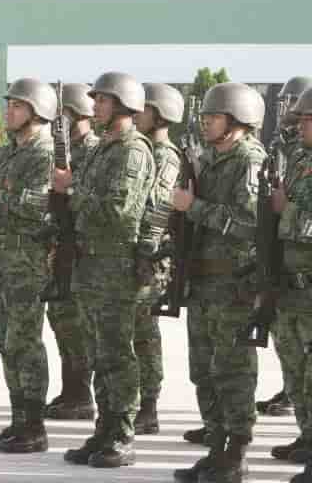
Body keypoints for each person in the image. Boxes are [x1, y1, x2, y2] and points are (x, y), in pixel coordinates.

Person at [56, 72, 156, 470]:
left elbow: (118, 211)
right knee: (98, 352)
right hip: (91, 264)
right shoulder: (102, 148)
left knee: (117, 354)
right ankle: (105, 426)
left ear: (122, 104)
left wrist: (71, 189)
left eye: (102, 100)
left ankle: (123, 433)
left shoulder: (132, 151)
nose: (94, 105)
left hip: (115, 266)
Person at [170, 82, 264, 483]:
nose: (206, 121)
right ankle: (216, 444)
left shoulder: (248, 161)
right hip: (204, 281)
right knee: (203, 369)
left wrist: (196, 208)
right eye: (205, 115)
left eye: (214, 116)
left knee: (233, 370)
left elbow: (249, 224)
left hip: (232, 284)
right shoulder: (207, 159)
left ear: (236, 119)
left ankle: (236, 452)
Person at [0, 78, 57, 454]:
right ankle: (18, 418)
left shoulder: (44, 153)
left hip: (27, 260)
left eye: (17, 106)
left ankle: (35, 425)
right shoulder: (7, 152)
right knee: (6, 340)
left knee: (25, 341)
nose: (9, 112)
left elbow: (41, 206)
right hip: (1, 258)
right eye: (9, 105)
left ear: (37, 111)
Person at [46, 82, 102, 422]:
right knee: (62, 322)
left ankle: (81, 393)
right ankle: (70, 390)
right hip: (61, 245)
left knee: (78, 326)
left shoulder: (93, 149)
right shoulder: (60, 150)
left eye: (64, 114)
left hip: (82, 248)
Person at [132, 83, 183, 435]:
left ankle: (148, 405)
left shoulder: (165, 155)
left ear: (160, 114)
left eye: (143, 109)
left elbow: (159, 208)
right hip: (136, 253)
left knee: (144, 334)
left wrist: (143, 253)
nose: (136, 114)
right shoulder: (146, 149)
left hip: (149, 258)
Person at [275, 87, 312, 482]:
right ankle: (308, 438)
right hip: (291, 288)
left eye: (307, 119)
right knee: (295, 372)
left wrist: (287, 212)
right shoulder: (300, 160)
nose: (300, 124)